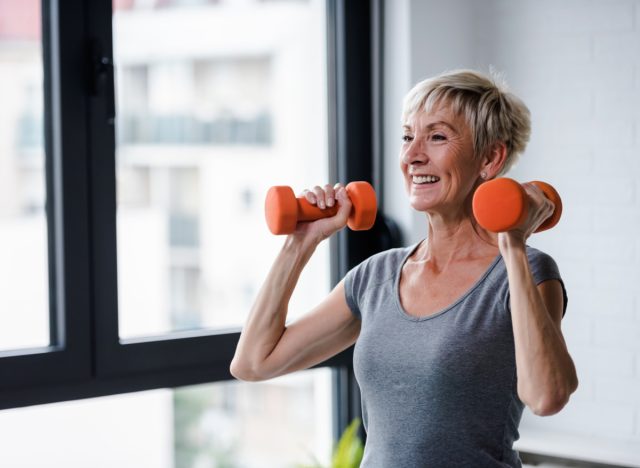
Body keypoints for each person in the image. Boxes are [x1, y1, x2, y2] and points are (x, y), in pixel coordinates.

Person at [230, 69, 578, 467]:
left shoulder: (527, 272)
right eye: (408, 136)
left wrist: (512, 244)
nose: (413, 155)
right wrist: (300, 243)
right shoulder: (375, 277)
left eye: (437, 136)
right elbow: (253, 363)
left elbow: (547, 396)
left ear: (490, 158)